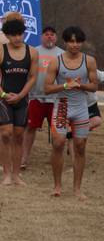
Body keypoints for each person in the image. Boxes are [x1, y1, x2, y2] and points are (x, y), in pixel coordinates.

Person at [44, 26, 98, 200]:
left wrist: (80, 85)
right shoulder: (56, 61)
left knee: (80, 146)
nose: (75, 45)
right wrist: (66, 85)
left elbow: (94, 86)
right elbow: (47, 88)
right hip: (63, 106)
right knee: (58, 143)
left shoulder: (89, 61)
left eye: (78, 41)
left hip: (81, 107)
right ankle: (57, 186)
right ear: (65, 42)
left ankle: (77, 189)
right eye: (72, 41)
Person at [0, 17, 39, 185]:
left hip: (22, 99)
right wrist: (3, 95)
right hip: (4, 98)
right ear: (7, 36)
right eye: (13, 35)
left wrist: (21, 95)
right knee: (5, 134)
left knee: (18, 136)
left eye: (20, 34)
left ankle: (16, 175)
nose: (17, 38)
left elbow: (32, 77)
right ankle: (6, 174)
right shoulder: (1, 50)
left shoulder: (32, 52)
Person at [21, 26, 64, 169]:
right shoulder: (34, 52)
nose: (49, 37)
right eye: (47, 34)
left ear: (56, 37)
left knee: (58, 131)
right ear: (41, 37)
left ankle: (57, 160)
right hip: (36, 97)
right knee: (30, 128)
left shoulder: (62, 54)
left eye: (52, 34)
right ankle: (23, 159)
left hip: (57, 99)